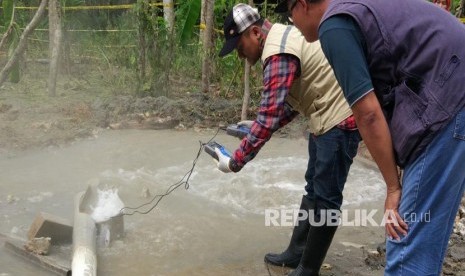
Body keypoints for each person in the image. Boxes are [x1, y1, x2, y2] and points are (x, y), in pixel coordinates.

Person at [275, 0, 465, 274]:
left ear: (302, 5)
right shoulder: (355, 8)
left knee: (405, 241)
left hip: (447, 98)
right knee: (423, 237)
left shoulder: (333, 24)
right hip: (450, 92)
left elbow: (368, 114)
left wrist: (392, 188)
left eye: (289, 13)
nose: (291, 22)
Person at [215, 3, 361, 275]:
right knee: (314, 189)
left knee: (327, 199)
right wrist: (256, 124)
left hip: (340, 118)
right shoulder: (282, 36)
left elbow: (269, 118)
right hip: (324, 114)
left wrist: (234, 162)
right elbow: (289, 106)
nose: (240, 55)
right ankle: (296, 253)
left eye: (239, 47)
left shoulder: (277, 53)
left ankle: (308, 269)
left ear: (255, 33)